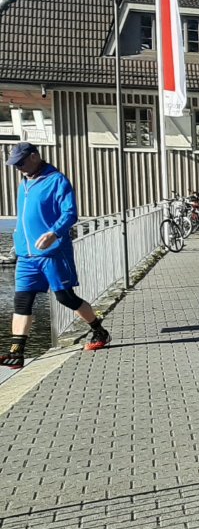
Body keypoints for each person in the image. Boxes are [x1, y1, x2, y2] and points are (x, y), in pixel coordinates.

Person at [3, 142, 109, 369]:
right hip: (26, 255)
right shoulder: (24, 184)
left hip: (52, 253)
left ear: (34, 156)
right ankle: (16, 352)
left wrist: (54, 233)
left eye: (21, 163)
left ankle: (99, 331)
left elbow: (70, 213)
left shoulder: (57, 180)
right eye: (15, 165)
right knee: (22, 301)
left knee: (65, 298)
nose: (18, 168)